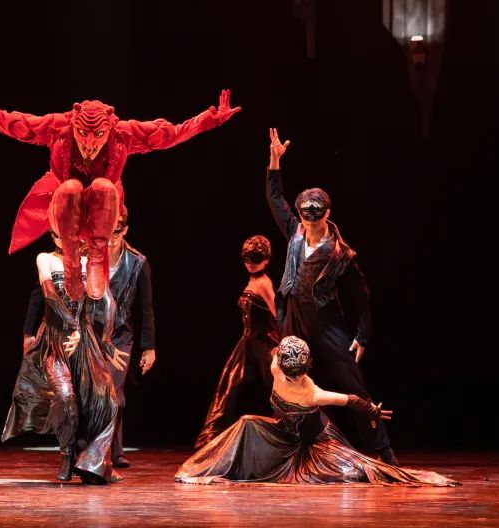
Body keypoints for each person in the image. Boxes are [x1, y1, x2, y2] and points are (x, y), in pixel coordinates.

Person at [0, 84, 239, 300]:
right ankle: (72, 262)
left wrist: (210, 119)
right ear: (74, 126)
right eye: (83, 134)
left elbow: (170, 134)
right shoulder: (58, 127)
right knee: (70, 186)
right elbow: (12, 123)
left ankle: (96, 258)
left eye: (98, 135)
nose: (89, 143)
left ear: (109, 129)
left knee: (104, 186)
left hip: (102, 213)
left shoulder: (123, 133)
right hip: (64, 208)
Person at [265, 127, 396, 464]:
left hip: (324, 320)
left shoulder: (341, 254)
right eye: (305, 216)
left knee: (349, 380)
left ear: (326, 214)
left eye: (315, 216)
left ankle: (381, 448)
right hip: (294, 312)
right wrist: (275, 163)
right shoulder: (295, 233)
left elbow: (361, 297)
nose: (309, 222)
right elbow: (276, 200)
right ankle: (294, 444)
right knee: (287, 376)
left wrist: (362, 335)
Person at [175, 337, 458, 486]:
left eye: (300, 373)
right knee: (247, 423)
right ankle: (215, 467)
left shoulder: (313, 394)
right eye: (292, 373)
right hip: (285, 436)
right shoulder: (276, 369)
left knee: (354, 472)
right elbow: (276, 349)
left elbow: (350, 399)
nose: (296, 377)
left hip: (316, 443)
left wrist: (372, 412)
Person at [2, 235, 127, 484]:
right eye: (58, 233)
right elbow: (49, 296)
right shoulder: (45, 259)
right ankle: (67, 455)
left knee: (107, 402)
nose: (64, 238)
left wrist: (105, 342)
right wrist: (72, 327)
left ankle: (92, 462)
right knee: (65, 397)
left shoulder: (87, 262)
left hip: (84, 341)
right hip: (55, 339)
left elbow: (103, 303)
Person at [194, 235, 280, 449]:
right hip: (248, 343)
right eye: (247, 258)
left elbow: (278, 315)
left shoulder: (264, 283)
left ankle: (289, 434)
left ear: (266, 259)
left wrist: (282, 346)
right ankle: (212, 438)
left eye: (256, 258)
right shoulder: (253, 280)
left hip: (264, 343)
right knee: (228, 386)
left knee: (277, 388)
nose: (250, 262)